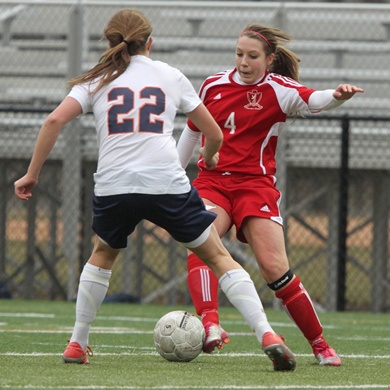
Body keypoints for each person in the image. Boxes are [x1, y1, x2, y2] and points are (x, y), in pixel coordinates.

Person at [14, 10, 296, 371]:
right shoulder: (169, 75)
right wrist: (209, 156)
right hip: (165, 180)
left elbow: (54, 120)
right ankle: (267, 334)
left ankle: (77, 343)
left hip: (115, 183)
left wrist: (31, 174)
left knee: (102, 254)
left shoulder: (97, 79)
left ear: (110, 42)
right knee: (218, 257)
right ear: (150, 42)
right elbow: (214, 133)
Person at [177, 23, 364, 366]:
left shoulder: (278, 89)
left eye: (252, 56)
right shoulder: (213, 85)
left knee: (274, 269)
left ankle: (320, 345)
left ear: (269, 59)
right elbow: (192, 131)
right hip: (213, 183)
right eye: (239, 54)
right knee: (200, 240)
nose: (243, 62)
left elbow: (314, 100)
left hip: (255, 186)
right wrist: (175, 175)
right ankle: (211, 324)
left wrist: (337, 96)